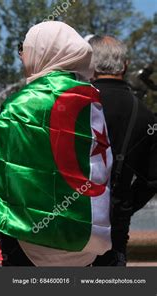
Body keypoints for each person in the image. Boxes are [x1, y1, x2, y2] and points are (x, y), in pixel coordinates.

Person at [0, 21, 113, 266]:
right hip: (86, 238)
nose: (21, 55)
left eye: (25, 47)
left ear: (44, 50)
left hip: (30, 239)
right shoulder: (91, 99)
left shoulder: (26, 103)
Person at [88, 36, 157, 266]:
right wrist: (125, 204)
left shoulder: (74, 104)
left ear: (91, 65)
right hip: (115, 226)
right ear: (125, 65)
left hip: (72, 219)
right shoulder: (146, 115)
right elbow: (152, 179)